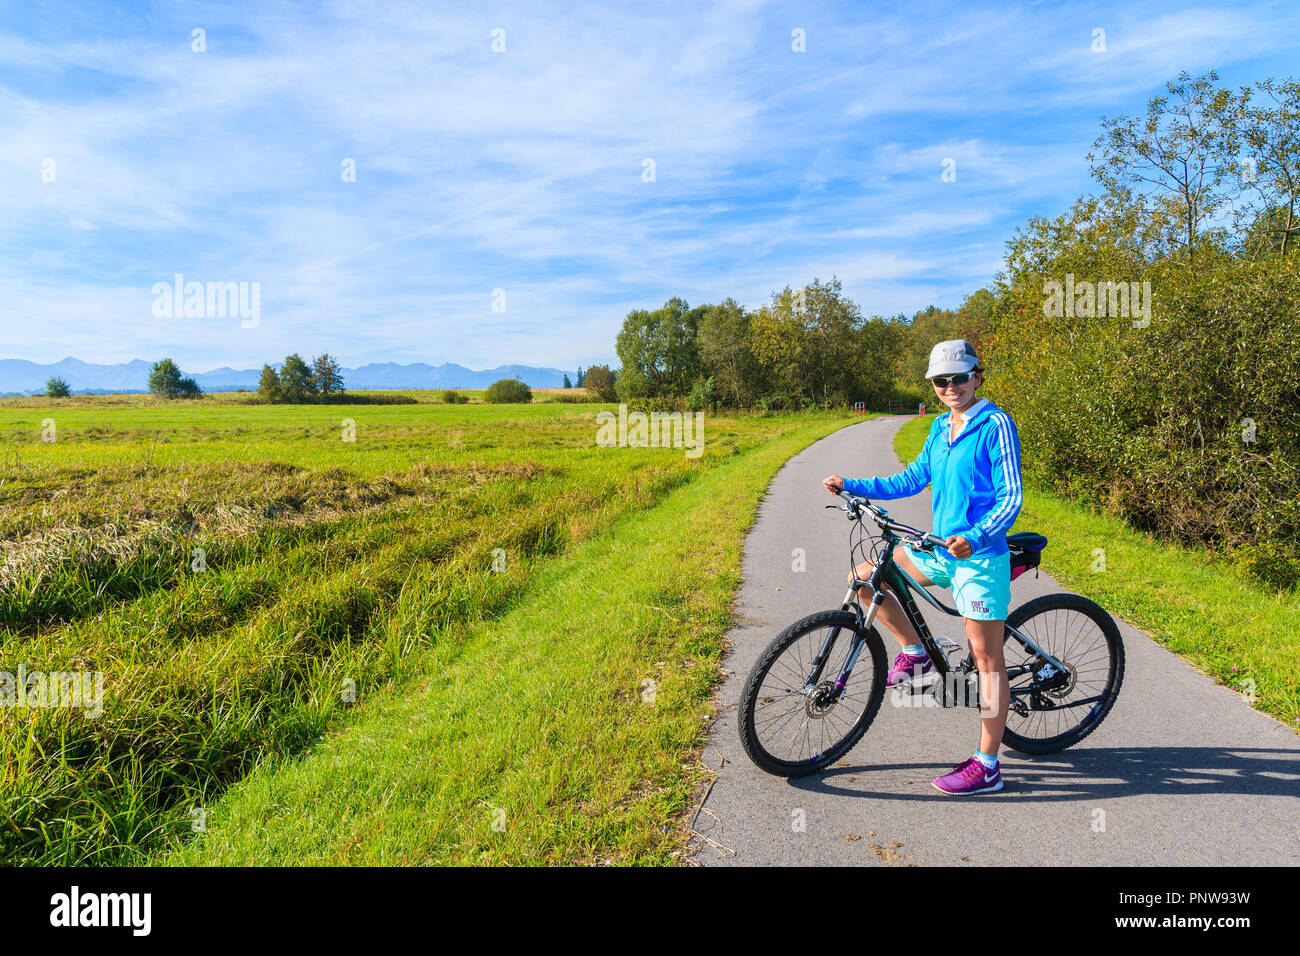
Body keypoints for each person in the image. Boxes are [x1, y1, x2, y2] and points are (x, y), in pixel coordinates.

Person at [822, 339, 1022, 795]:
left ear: (977, 376)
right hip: (937, 548)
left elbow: (1011, 496)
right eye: (941, 380)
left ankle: (988, 765)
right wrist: (852, 484)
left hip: (979, 554)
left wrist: (975, 537)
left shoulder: (995, 423)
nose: (951, 387)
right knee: (866, 578)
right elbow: (911, 478)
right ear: (933, 384)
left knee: (987, 658)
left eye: (960, 377)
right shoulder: (938, 429)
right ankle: (915, 654)